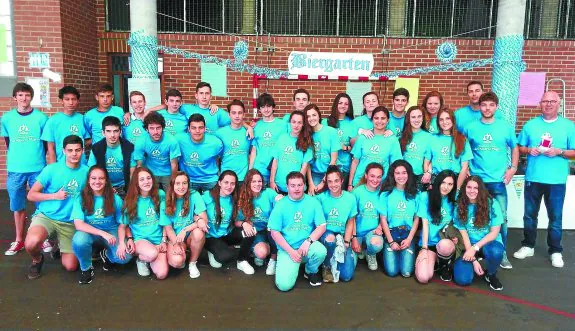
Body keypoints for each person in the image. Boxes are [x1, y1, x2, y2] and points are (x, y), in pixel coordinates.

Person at [514, 91, 575, 268]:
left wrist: (560, 152)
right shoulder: (530, 125)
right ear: (540, 103)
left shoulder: (568, 126)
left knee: (555, 217)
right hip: (533, 177)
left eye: (552, 101)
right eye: (545, 101)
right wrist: (529, 150)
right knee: (529, 215)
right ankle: (528, 245)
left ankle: (555, 250)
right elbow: (520, 146)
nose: (548, 104)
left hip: (556, 180)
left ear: (559, 104)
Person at [464, 91, 519, 269]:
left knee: (500, 218)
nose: (487, 108)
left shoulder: (505, 127)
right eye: (484, 105)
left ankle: (501, 253)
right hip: (476, 182)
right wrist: (465, 170)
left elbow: (514, 147)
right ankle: (473, 250)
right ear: (479, 107)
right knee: (472, 216)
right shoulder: (470, 127)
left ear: (496, 107)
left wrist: (513, 168)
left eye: (491, 105)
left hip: (497, 181)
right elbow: (462, 148)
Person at [25, 135, 89, 279]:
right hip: (47, 217)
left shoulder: (87, 172)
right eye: (70, 150)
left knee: (71, 266)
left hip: (70, 223)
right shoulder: (51, 169)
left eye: (77, 150)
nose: (74, 154)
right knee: (31, 243)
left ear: (82, 151)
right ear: (64, 151)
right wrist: (54, 196)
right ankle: (37, 260)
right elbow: (31, 195)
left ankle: (58, 246)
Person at [2, 83, 49, 256]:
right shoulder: (7, 119)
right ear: (15, 97)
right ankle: (19, 239)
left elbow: (45, 144)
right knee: (17, 206)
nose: (24, 98)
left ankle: (42, 238)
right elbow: (9, 142)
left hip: (37, 169)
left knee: (41, 205)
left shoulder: (41, 118)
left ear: (31, 97)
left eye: (27, 95)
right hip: (15, 169)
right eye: (20, 95)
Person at [71, 166, 131, 284]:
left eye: (101, 178)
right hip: (90, 232)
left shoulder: (115, 198)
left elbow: (122, 223)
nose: (97, 181)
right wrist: (102, 233)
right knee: (79, 240)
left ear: (106, 181)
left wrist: (122, 243)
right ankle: (86, 269)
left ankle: (106, 254)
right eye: (93, 178)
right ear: (88, 180)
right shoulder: (80, 197)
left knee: (125, 257)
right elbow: (79, 225)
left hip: (111, 232)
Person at [269, 171, 327, 291]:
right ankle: (293, 264)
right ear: (287, 187)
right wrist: (291, 252)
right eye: (293, 185)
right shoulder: (280, 205)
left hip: (306, 245)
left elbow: (322, 226)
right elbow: (274, 232)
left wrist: (308, 241)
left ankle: (309, 271)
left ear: (304, 186)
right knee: (284, 286)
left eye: (300, 185)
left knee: (320, 251)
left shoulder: (313, 202)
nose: (296, 189)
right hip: (287, 248)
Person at [453, 176, 505, 291]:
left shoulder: (492, 203)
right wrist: (473, 259)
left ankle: (491, 274)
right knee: (463, 280)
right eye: (469, 187)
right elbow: (463, 233)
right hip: (468, 245)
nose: (472, 190)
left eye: (476, 188)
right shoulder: (460, 204)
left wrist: (476, 247)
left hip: (488, 243)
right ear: (464, 188)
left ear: (481, 189)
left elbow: (494, 233)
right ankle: (472, 264)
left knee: (496, 251)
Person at [201, 170, 256, 274]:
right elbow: (196, 213)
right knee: (225, 257)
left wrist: (244, 224)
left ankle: (242, 261)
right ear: (219, 183)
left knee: (250, 231)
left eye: (232, 183)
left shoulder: (233, 199)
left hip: (227, 234)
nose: (229, 186)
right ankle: (212, 251)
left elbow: (236, 221)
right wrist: (199, 220)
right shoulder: (207, 196)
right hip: (211, 237)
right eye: (226, 182)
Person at [121, 167, 169, 279]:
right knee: (152, 253)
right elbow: (125, 225)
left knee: (162, 274)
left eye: (148, 178)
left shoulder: (160, 194)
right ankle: (142, 259)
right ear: (136, 183)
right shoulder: (131, 200)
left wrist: (164, 240)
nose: (146, 181)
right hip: (140, 240)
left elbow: (165, 220)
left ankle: (148, 257)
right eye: (141, 179)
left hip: (158, 241)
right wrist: (130, 239)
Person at [160, 172, 209, 278]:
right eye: (177, 183)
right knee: (176, 262)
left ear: (188, 184)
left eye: (184, 183)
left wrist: (186, 229)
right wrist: (176, 244)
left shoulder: (194, 195)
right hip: (175, 237)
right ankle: (184, 253)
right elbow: (168, 228)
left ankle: (192, 263)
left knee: (199, 233)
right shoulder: (165, 202)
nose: (181, 187)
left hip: (189, 234)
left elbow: (204, 219)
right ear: (172, 185)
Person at [415, 170, 459, 283]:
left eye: (450, 184)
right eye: (443, 183)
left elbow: (457, 223)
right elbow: (425, 224)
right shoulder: (425, 196)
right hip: (429, 243)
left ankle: (445, 265)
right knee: (423, 277)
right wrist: (424, 248)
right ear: (438, 182)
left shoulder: (454, 200)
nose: (446, 187)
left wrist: (455, 236)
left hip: (445, 243)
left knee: (445, 245)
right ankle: (436, 261)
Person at [315, 165, 358, 282]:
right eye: (330, 181)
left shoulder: (350, 198)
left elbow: (350, 221)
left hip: (342, 235)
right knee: (330, 239)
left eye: (336, 181)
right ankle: (326, 266)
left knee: (347, 276)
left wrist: (347, 241)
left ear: (342, 181)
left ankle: (343, 256)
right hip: (326, 234)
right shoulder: (320, 199)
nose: (333, 184)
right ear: (326, 183)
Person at [237, 169, 283, 275]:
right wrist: (244, 224)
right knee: (261, 253)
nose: (257, 184)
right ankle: (261, 251)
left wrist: (280, 198)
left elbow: (278, 200)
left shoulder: (268, 192)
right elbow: (236, 221)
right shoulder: (243, 198)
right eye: (254, 181)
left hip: (271, 229)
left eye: (259, 181)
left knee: (273, 229)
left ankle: (273, 259)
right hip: (257, 232)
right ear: (248, 183)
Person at [379, 160, 420, 278]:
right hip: (391, 233)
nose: (401, 176)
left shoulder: (416, 194)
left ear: (409, 174)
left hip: (408, 233)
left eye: (404, 173)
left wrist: (409, 239)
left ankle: (405, 252)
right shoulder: (385, 195)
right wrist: (391, 241)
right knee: (392, 272)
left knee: (406, 272)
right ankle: (387, 252)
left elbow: (416, 219)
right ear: (393, 175)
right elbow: (383, 219)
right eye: (397, 173)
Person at [348, 106, 402, 188]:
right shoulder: (363, 137)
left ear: (388, 120)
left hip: (381, 184)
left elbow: (395, 165)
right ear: (372, 119)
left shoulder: (393, 140)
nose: (379, 121)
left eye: (383, 118)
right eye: (376, 118)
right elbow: (355, 161)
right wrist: (350, 184)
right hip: (360, 182)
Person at [425, 108, 473, 190]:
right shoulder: (432, 138)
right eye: (441, 119)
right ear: (438, 122)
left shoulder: (462, 139)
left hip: (455, 179)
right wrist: (429, 179)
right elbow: (427, 162)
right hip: (436, 179)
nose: (444, 122)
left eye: (448, 118)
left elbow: (464, 168)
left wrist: (457, 189)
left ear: (453, 120)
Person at [88, 116, 135, 198]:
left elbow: (132, 174)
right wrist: (106, 187)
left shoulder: (129, 147)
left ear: (120, 132)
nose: (112, 135)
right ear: (103, 133)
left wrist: (130, 193)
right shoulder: (96, 148)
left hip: (124, 188)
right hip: (103, 187)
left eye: (115, 131)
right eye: (108, 131)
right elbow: (92, 172)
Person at [133, 112, 181, 191]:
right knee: (151, 197)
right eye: (152, 128)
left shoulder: (171, 140)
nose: (155, 132)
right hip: (150, 172)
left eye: (158, 128)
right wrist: (141, 181)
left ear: (163, 127)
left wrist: (173, 182)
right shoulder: (141, 141)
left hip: (167, 173)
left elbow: (174, 164)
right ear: (146, 129)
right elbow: (139, 165)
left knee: (171, 196)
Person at [350, 163, 385, 271]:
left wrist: (380, 227)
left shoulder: (382, 194)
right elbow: (351, 218)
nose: (375, 180)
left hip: (372, 232)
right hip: (357, 233)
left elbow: (384, 215)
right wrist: (354, 238)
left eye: (379, 177)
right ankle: (360, 247)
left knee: (377, 244)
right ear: (366, 175)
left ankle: (370, 253)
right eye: (372, 176)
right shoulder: (356, 192)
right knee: (348, 269)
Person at [269, 110, 313, 194]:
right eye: (294, 122)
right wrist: (271, 181)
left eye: (299, 122)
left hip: (297, 189)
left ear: (303, 124)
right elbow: (275, 161)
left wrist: (297, 185)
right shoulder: (282, 138)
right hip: (279, 186)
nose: (296, 125)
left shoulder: (307, 142)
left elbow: (304, 167)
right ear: (290, 123)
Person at [43, 86, 89, 164]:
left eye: (73, 99)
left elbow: (88, 140)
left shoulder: (83, 119)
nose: (71, 103)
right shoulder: (53, 121)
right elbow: (51, 148)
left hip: (81, 164)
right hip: (62, 165)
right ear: (62, 101)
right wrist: (53, 167)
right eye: (67, 99)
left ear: (77, 101)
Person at [178, 113, 223, 192]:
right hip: (189, 179)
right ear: (188, 129)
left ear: (205, 128)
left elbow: (219, 158)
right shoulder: (179, 140)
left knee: (214, 203)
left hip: (210, 179)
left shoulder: (216, 143)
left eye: (200, 128)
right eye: (193, 128)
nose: (197, 131)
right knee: (189, 203)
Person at [249, 93, 286, 184]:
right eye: (263, 107)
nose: (266, 109)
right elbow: (254, 150)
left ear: (273, 107)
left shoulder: (283, 125)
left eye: (268, 106)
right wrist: (250, 170)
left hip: (277, 169)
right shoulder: (256, 126)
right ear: (259, 109)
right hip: (259, 169)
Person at [305, 104, 340, 195]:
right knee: (313, 198)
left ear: (319, 115)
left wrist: (324, 182)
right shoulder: (307, 135)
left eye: (314, 115)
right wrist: (310, 183)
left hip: (332, 172)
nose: (311, 118)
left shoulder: (331, 132)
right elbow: (307, 162)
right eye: (308, 116)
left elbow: (333, 160)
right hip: (315, 174)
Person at [215, 100, 252, 183]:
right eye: (234, 113)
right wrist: (218, 173)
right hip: (225, 178)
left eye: (240, 113)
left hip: (243, 178)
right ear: (229, 115)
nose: (237, 116)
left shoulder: (249, 132)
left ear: (244, 114)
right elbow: (215, 156)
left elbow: (251, 154)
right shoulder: (220, 133)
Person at [324, 93, 355, 187]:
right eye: (340, 103)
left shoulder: (353, 123)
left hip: (345, 167)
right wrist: (336, 146)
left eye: (346, 104)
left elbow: (354, 148)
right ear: (335, 104)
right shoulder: (325, 122)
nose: (343, 106)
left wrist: (345, 148)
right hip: (327, 166)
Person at [400, 106, 433, 190]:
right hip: (403, 176)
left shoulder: (430, 137)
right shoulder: (401, 137)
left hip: (420, 177)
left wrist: (428, 172)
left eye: (419, 116)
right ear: (408, 119)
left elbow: (433, 158)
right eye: (413, 117)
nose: (416, 120)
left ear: (423, 118)